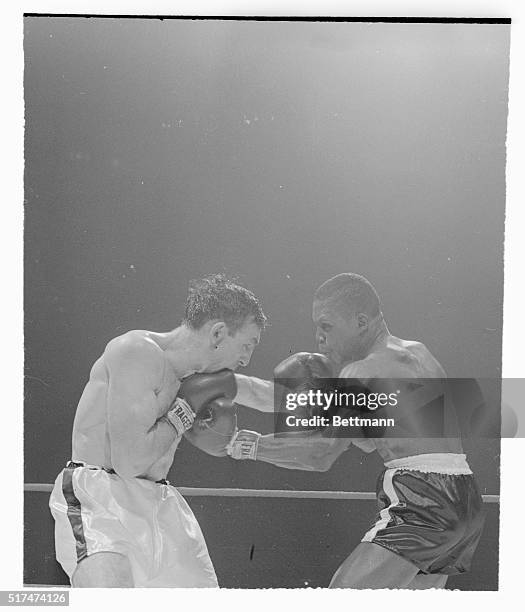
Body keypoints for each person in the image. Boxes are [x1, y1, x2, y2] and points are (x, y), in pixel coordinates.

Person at [228, 273, 485, 589]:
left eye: (326, 326)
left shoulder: (361, 371)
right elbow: (369, 439)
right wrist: (236, 386)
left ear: (361, 321)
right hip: (465, 499)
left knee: (343, 597)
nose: (319, 338)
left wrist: (251, 446)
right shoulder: (418, 353)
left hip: (425, 499)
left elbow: (321, 455)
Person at [49, 274, 266, 587]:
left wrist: (351, 399)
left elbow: (264, 394)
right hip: (102, 499)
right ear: (218, 332)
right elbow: (129, 463)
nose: (246, 359)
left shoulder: (198, 379)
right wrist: (184, 410)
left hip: (161, 504)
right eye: (245, 345)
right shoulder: (136, 352)